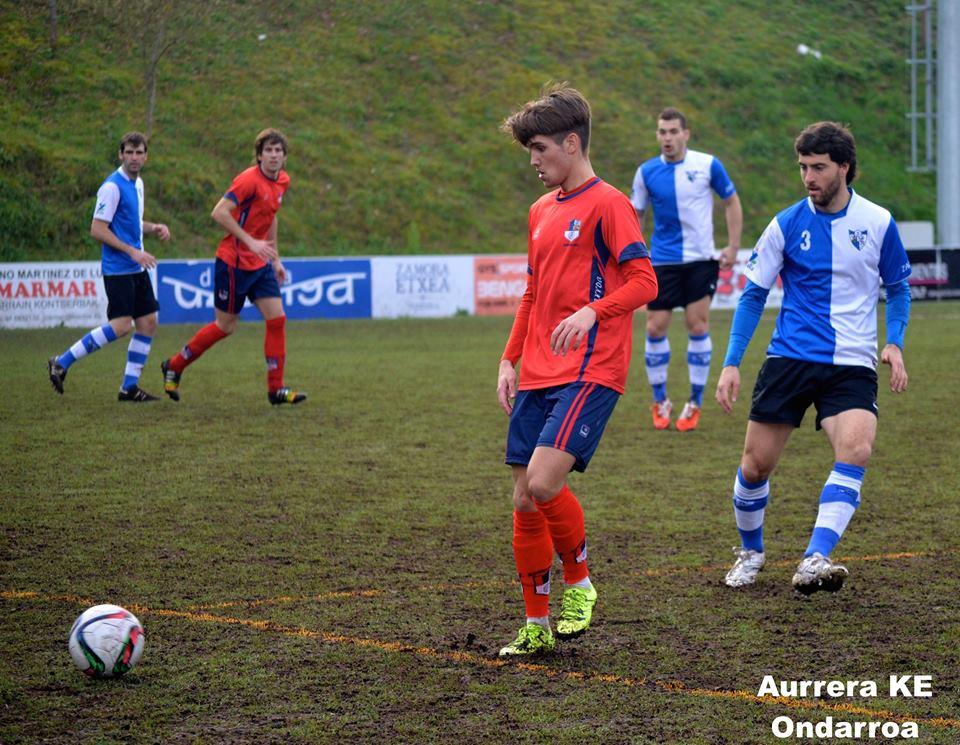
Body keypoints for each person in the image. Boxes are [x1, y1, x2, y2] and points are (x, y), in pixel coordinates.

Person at [496, 84, 658, 656]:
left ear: (572, 142)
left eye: (540, 149)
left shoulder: (610, 204)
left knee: (544, 483)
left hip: (591, 370)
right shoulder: (540, 211)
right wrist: (509, 357)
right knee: (523, 498)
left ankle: (581, 582)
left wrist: (594, 310)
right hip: (538, 369)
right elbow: (534, 291)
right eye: (528, 152)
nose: (534, 161)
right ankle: (535, 626)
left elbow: (645, 282)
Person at [716, 121, 911, 595]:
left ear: (844, 167)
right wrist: (731, 362)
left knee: (857, 449)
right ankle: (751, 551)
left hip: (852, 363)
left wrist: (895, 341)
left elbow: (899, 287)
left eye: (819, 167)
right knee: (755, 466)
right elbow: (752, 296)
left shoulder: (878, 222)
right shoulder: (785, 224)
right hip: (790, 358)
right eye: (803, 167)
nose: (808, 177)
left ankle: (816, 557)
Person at [160, 128, 305, 405]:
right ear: (259, 155)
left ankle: (276, 390)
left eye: (278, 151)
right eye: (268, 150)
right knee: (225, 326)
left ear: (284, 157)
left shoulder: (282, 181)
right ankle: (175, 365)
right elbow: (219, 212)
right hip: (233, 263)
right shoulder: (248, 180)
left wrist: (275, 258)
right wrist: (251, 242)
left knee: (277, 319)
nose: (273, 155)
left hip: (260, 262)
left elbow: (271, 216)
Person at [630, 108, 743, 431]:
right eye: (662, 131)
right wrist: (635, 254)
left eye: (672, 131)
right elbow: (635, 214)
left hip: (700, 260)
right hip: (662, 261)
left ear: (685, 134)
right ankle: (660, 400)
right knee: (654, 328)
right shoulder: (646, 172)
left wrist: (733, 247)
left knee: (697, 325)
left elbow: (731, 201)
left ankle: (694, 401)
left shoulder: (708, 165)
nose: (667, 137)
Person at [47, 131, 171, 402]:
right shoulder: (112, 186)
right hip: (119, 269)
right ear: (120, 154)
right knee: (121, 326)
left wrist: (153, 228)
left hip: (135, 269)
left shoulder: (137, 184)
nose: (134, 157)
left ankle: (129, 387)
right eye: (129, 152)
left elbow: (132, 222)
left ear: (146, 156)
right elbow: (97, 229)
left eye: (139, 153)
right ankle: (61, 362)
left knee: (148, 323)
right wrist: (133, 252)